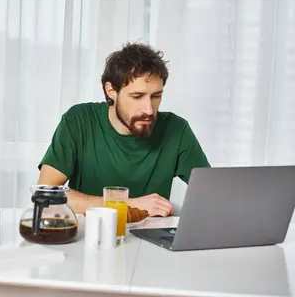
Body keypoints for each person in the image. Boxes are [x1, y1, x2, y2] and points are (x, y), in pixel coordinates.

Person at [37, 42, 210, 216]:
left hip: (151, 239)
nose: (149, 109)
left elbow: (214, 196)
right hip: (90, 237)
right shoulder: (79, 120)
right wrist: (125, 204)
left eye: (156, 96)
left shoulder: (176, 130)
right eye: (137, 96)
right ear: (111, 90)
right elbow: (45, 194)